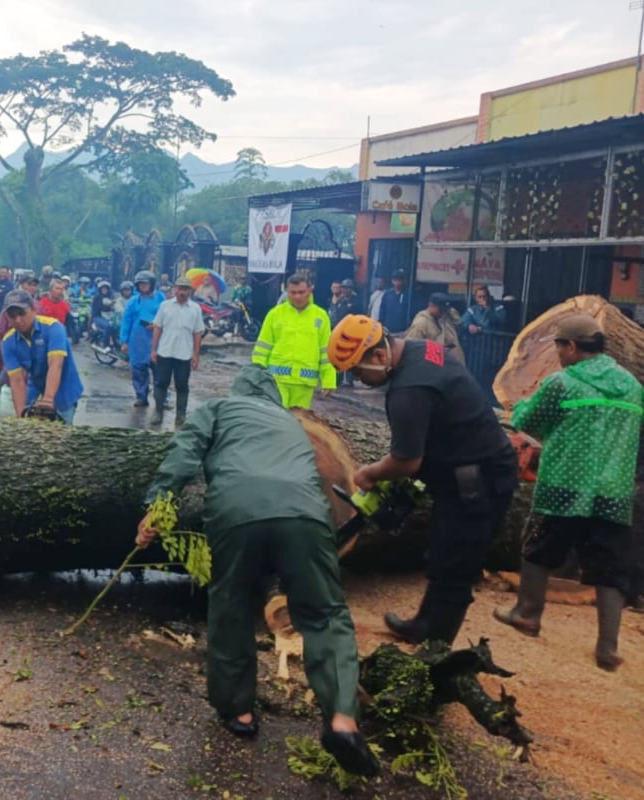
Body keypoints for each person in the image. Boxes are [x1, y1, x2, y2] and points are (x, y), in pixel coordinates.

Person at [136, 365, 378, 777]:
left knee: (231, 603)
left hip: (236, 511)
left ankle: (240, 711)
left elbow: (183, 454)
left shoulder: (217, 408)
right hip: (305, 515)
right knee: (324, 612)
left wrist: (158, 505)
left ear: (238, 391)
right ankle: (342, 719)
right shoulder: (289, 420)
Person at [328, 315, 518, 645]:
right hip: (458, 471)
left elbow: (406, 460)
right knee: (442, 552)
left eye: (358, 371)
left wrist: (369, 473)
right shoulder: (419, 349)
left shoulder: (409, 391)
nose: (358, 380)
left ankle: (436, 653)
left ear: (379, 356)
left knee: (456, 567)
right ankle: (423, 625)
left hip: (478, 481)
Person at [494, 314, 644, 672]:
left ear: (572, 347)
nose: (558, 354)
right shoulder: (634, 387)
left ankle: (527, 614)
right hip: (613, 489)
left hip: (564, 485)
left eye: (559, 347)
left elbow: (525, 421)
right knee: (609, 568)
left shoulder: (563, 383)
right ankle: (607, 647)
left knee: (539, 548)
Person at [252, 273, 336, 409]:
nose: (297, 296)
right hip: (276, 380)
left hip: (304, 383)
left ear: (310, 290)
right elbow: (262, 348)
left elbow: (326, 351)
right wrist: (256, 375)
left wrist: (329, 381)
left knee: (299, 422)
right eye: (293, 293)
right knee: (278, 419)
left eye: (301, 292)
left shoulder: (321, 317)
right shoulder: (275, 314)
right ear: (287, 292)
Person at [1, 290, 84, 425]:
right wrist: (20, 418)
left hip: (64, 385)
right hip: (36, 384)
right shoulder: (8, 342)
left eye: (22, 314)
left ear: (33, 310)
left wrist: (48, 398)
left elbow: (55, 364)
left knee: (60, 433)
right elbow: (17, 381)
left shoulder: (53, 328)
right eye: (12, 316)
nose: (18, 320)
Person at [149, 275, 205, 429]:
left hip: (184, 354)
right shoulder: (165, 306)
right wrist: (153, 350)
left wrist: (196, 354)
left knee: (182, 385)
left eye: (185, 289)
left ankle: (181, 415)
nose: (182, 292)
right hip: (165, 352)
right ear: (175, 289)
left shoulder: (195, 309)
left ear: (190, 291)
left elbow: (198, 333)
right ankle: (158, 412)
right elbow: (157, 328)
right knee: (161, 383)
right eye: (180, 288)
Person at [119, 271, 166, 408]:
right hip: (137, 340)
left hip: (157, 340)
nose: (143, 286)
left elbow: (167, 316)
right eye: (140, 284)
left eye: (145, 283)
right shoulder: (133, 301)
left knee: (160, 371)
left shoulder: (160, 299)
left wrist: (157, 324)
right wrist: (124, 341)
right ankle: (141, 396)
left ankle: (162, 399)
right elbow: (126, 321)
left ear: (151, 283)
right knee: (138, 370)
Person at [405, 293, 464, 363]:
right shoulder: (421, 323)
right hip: (431, 365)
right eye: (440, 310)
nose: (443, 313)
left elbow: (458, 322)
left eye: (445, 310)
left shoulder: (446, 318)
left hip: (449, 364)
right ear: (431, 305)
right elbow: (410, 347)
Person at [91, 280, 117, 347]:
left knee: (117, 326)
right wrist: (110, 306)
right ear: (100, 289)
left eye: (106, 288)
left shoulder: (111, 296)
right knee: (108, 326)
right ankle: (104, 343)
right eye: (103, 288)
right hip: (98, 316)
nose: (104, 290)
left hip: (108, 316)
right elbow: (101, 307)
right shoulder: (97, 298)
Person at [0, 266, 15, 333]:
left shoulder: (10, 284)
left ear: (8, 274)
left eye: (4, 272)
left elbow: (7, 294)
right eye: (1, 272)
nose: (2, 274)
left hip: (5, 312)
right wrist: (1, 291)